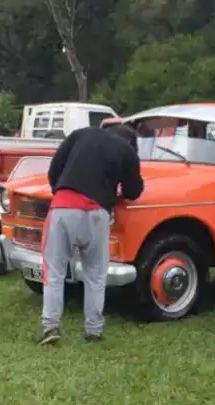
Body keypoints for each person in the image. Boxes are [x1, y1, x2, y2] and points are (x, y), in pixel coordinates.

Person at [39, 124, 144, 345]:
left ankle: (51, 327)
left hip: (64, 208)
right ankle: (94, 331)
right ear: (132, 144)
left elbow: (54, 168)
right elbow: (133, 191)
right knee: (96, 276)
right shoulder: (127, 152)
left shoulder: (82, 134)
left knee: (55, 272)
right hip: (98, 213)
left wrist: (60, 189)